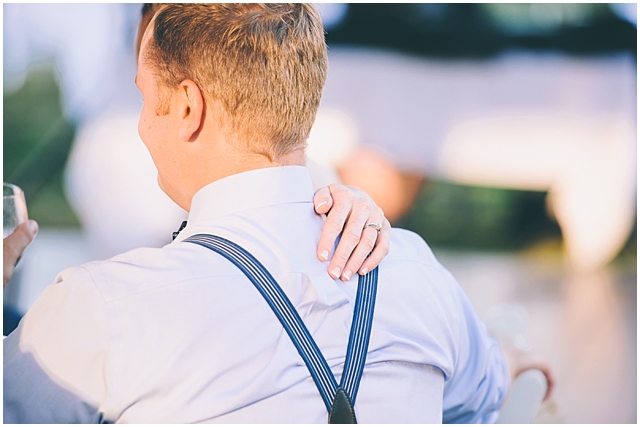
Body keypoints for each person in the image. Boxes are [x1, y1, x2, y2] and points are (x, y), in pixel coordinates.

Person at [4, 4, 509, 423]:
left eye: (143, 94)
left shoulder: (99, 310)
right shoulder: (415, 271)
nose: (139, 125)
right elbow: (489, 393)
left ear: (187, 109)